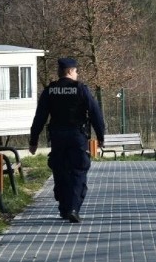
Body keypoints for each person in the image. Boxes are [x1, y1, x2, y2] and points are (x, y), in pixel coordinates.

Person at [29, 57, 105, 223]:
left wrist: (33, 140)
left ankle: (64, 208)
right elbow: (95, 113)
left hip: (57, 137)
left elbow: (40, 117)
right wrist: (101, 137)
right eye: (76, 71)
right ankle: (73, 208)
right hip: (77, 136)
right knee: (78, 171)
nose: (77, 74)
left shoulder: (50, 90)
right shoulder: (80, 89)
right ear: (70, 71)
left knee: (60, 171)